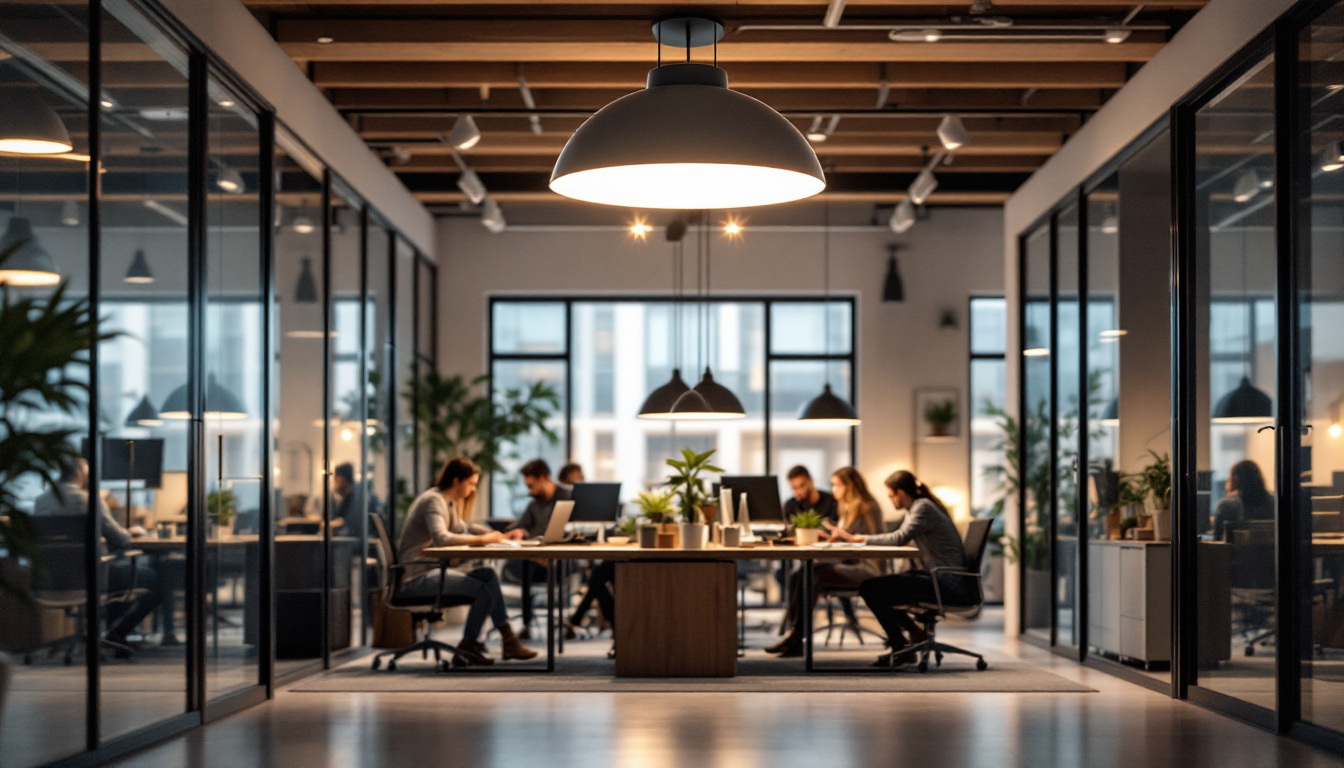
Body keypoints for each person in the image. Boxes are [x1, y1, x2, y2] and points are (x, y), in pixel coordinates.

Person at [397, 456, 538, 667]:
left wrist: (498, 535)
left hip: (434, 571)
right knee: (483, 590)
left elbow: (465, 528)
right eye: (471, 483)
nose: (473, 489)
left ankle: (507, 640)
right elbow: (442, 538)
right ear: (456, 481)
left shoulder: (448, 502)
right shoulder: (433, 500)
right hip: (417, 577)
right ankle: (468, 647)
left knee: (488, 576)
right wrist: (484, 539)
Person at [833, 470, 976, 667]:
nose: (890, 500)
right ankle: (912, 635)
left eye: (891, 495)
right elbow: (900, 536)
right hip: (939, 577)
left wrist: (861, 538)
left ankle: (901, 646)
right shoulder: (920, 507)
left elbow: (898, 538)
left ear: (900, 493)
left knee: (871, 588)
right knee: (883, 586)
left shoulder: (922, 507)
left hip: (944, 583)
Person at [33, 456, 162, 654]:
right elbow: (120, 538)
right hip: (91, 579)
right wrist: (131, 532)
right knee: (154, 580)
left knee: (120, 576)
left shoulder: (40, 502)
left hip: (51, 581)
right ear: (79, 473)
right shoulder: (90, 500)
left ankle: (110, 634)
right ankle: (116, 634)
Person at [767, 467, 883, 657]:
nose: (833, 489)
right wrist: (831, 538)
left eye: (836, 485)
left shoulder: (866, 506)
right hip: (850, 563)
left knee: (814, 572)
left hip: (866, 568)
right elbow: (849, 539)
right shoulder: (846, 508)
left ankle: (795, 636)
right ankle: (796, 635)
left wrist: (847, 539)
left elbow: (877, 540)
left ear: (849, 486)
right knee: (805, 572)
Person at [504, 459, 574, 637]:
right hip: (536, 560)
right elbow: (516, 527)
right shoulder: (534, 505)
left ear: (545, 478)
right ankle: (527, 624)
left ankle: (539, 623)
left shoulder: (569, 497)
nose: (529, 491)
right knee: (527, 561)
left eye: (532, 486)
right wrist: (518, 531)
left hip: (563, 560)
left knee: (534, 560)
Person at [1212, 460, 1274, 541]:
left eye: (1229, 479)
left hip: (1236, 553)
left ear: (1236, 479)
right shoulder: (1275, 503)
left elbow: (1217, 541)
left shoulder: (1226, 505)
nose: (1225, 485)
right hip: (1269, 553)